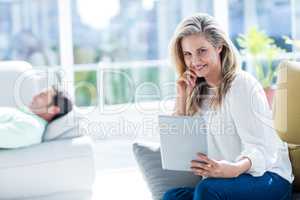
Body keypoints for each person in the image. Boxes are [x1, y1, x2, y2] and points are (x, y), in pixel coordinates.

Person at [163, 13, 293, 200]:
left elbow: (262, 149)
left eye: (202, 51)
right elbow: (179, 149)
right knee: (172, 196)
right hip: (227, 180)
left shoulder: (240, 84)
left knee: (207, 190)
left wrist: (232, 169)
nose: (195, 61)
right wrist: (182, 96)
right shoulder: (196, 90)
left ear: (219, 47)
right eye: (188, 54)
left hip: (268, 177)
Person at [0, 86, 72, 149]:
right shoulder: (25, 116)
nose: (34, 96)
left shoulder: (31, 127)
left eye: (41, 96)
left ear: (53, 110)